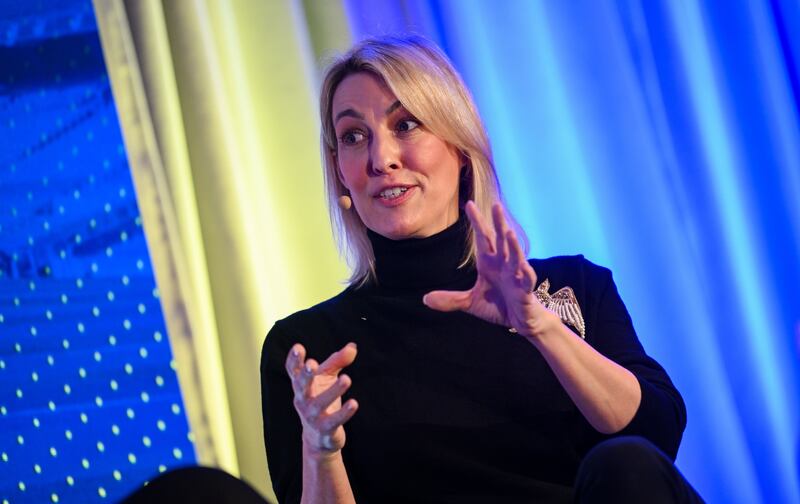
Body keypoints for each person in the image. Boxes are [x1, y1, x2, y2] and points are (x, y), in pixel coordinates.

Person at [261, 34, 703, 504]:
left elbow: (654, 445)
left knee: (623, 462)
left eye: (406, 125)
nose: (381, 159)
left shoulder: (574, 287)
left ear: (459, 145)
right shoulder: (310, 353)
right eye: (353, 137)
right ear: (339, 169)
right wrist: (320, 449)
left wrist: (538, 326)